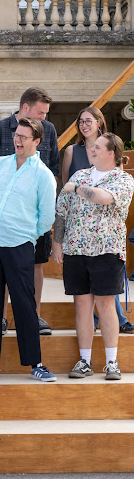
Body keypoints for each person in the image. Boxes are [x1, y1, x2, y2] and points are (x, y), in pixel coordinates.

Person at [0, 118, 57, 383]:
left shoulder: (43, 174)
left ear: (37, 142)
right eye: (17, 135)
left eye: (24, 137)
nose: (18, 140)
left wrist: (26, 236)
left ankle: (36, 364)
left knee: (24, 305)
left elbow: (46, 217)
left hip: (20, 245)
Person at [52, 133, 134, 381]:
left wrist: (75, 188)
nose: (92, 149)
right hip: (76, 249)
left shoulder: (122, 179)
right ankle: (85, 361)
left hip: (106, 250)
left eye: (98, 147)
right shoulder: (80, 174)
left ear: (111, 153)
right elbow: (62, 211)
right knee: (82, 305)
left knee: (106, 304)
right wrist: (58, 242)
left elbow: (104, 198)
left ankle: (111, 362)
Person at [0, 88, 59, 336]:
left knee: (36, 266)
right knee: (0, 273)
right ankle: (1, 318)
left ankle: (32, 316)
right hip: (2, 221)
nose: (45, 116)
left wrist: (34, 226)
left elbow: (53, 167)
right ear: (25, 108)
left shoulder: (49, 129)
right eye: (41, 112)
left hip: (33, 218)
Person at [62, 107, 134, 334]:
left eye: (88, 120)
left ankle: (118, 321)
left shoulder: (111, 149)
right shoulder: (72, 151)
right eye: (80, 121)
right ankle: (89, 330)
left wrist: (78, 189)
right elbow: (65, 190)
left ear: (99, 123)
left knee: (105, 292)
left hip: (105, 240)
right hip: (78, 238)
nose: (84, 125)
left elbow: (115, 189)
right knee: (83, 299)